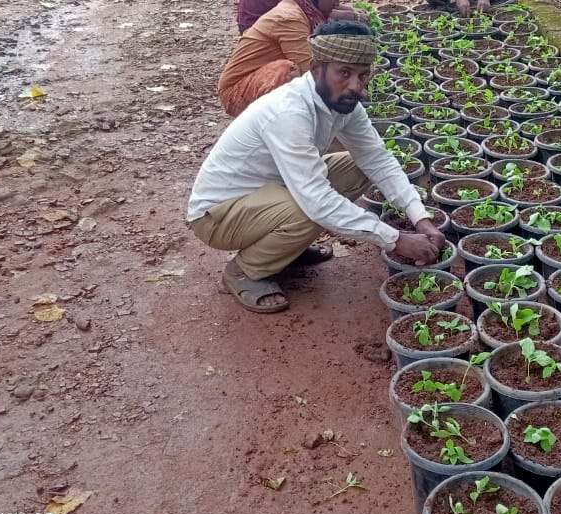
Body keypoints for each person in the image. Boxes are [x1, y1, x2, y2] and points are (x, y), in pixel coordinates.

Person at [189, 21, 445, 313]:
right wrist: (395, 239)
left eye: (363, 75)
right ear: (315, 68)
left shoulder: (344, 103)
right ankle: (244, 272)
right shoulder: (289, 112)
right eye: (344, 73)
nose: (355, 86)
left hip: (270, 193)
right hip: (217, 215)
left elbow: (377, 158)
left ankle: (286, 250)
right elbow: (316, 200)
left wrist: (419, 218)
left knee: (357, 166)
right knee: (311, 209)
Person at [218, 0, 342, 117]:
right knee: (287, 71)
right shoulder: (290, 18)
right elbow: (308, 69)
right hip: (235, 92)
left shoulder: (304, 11)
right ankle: (279, 125)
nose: (337, 3)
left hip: (256, 80)